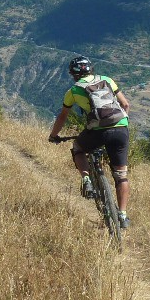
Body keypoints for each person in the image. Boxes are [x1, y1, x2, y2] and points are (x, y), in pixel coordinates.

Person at [48, 56, 132, 229]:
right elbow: (125, 104)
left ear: (73, 74)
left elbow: (63, 115)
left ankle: (86, 178)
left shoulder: (73, 91)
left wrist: (54, 135)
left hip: (97, 131)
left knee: (78, 148)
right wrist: (121, 123)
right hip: (121, 129)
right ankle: (122, 215)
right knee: (121, 176)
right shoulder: (107, 80)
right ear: (91, 69)